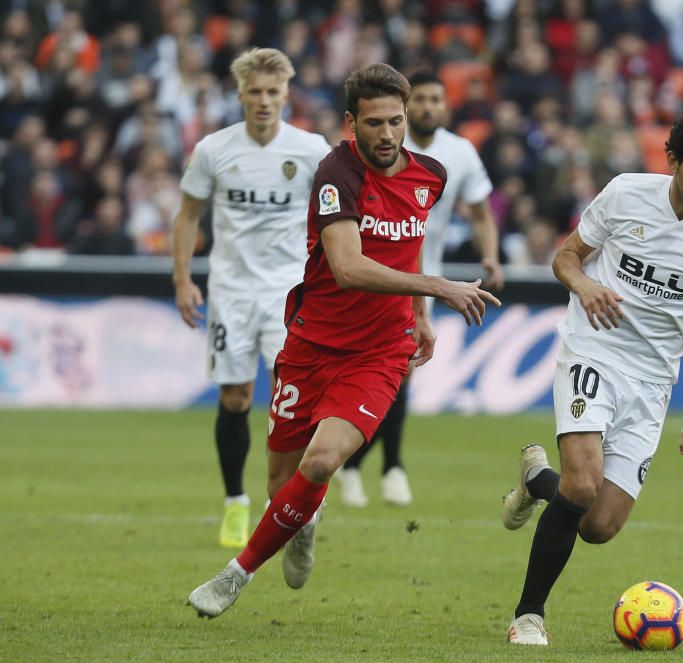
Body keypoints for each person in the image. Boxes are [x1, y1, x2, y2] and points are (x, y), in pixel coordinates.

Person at [187, 63, 501, 618]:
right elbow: (349, 268)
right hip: (311, 344)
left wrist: (420, 314)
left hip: (380, 350)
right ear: (352, 123)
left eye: (396, 122)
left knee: (322, 460)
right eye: (375, 123)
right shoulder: (336, 172)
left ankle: (235, 575)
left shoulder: (431, 174)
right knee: (280, 485)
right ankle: (305, 520)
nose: (387, 135)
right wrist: (436, 287)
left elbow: (411, 245)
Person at [501, 111, 683, 645]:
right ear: (673, 162)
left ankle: (535, 480)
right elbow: (566, 257)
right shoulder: (625, 194)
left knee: (598, 524)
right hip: (594, 348)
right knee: (584, 481)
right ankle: (529, 615)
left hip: (654, 377)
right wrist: (584, 287)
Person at [172, 48, 331, 549]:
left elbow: (337, 215)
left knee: (295, 402)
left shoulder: (310, 149)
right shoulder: (214, 150)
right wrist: (181, 278)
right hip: (231, 292)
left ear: (287, 94)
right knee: (236, 397)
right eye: (255, 92)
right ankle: (236, 502)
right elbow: (187, 215)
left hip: (290, 293)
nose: (264, 101)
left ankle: (281, 502)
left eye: (272, 92)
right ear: (239, 95)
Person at [336, 68, 504, 508]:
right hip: (367, 273)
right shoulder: (385, 142)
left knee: (401, 372)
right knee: (378, 374)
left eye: (436, 99)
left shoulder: (459, 153)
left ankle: (380, 466)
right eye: (421, 100)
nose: (428, 107)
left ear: (445, 106)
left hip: (420, 279)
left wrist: (491, 255)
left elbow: (482, 211)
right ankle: (360, 463)